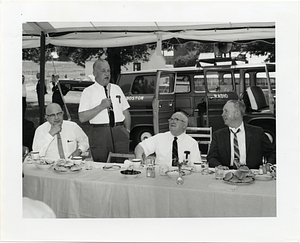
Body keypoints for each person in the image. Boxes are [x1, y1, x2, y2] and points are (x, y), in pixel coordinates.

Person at [78, 59, 131, 162]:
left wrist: (127, 131)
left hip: (119, 132)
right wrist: (101, 107)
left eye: (108, 71)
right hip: (100, 133)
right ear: (95, 73)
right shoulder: (88, 92)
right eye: (103, 71)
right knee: (101, 164)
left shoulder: (117, 89)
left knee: (122, 163)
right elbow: (82, 117)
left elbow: (125, 111)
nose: (107, 74)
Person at [207, 100, 276, 169]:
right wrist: (219, 166)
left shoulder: (257, 132)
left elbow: (272, 153)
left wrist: (269, 165)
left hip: (252, 173)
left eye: (226, 111)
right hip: (227, 172)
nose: (222, 114)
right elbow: (211, 157)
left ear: (237, 113)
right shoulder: (218, 135)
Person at [134, 111, 201, 167]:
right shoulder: (160, 138)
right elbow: (140, 147)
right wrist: (139, 157)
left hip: (183, 176)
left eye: (176, 119)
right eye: (171, 119)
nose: (172, 121)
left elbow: (196, 166)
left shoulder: (192, 143)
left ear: (184, 125)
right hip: (161, 176)